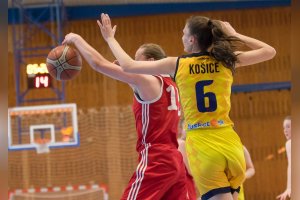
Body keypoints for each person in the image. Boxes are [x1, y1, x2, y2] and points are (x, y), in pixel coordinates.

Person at [98, 13, 276, 200]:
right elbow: (269, 51)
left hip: (203, 144)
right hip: (231, 142)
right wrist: (236, 34)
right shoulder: (226, 60)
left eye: (183, 34)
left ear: (192, 39)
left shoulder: (178, 64)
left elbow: (127, 66)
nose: (181, 37)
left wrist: (110, 38)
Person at [62, 34, 189, 199]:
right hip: (175, 160)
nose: (132, 64)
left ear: (150, 62)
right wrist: (124, 74)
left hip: (156, 159)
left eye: (137, 59)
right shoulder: (171, 85)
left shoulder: (147, 82)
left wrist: (77, 39)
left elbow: (98, 63)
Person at [178, 119, 198, 200]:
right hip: (185, 183)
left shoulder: (189, 144)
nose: (189, 129)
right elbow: (190, 171)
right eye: (186, 127)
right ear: (180, 129)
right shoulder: (181, 143)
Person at [277, 116, 291, 200]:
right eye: (284, 127)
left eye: (288, 126)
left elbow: (291, 166)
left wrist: (289, 187)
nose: (285, 130)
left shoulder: (290, 143)